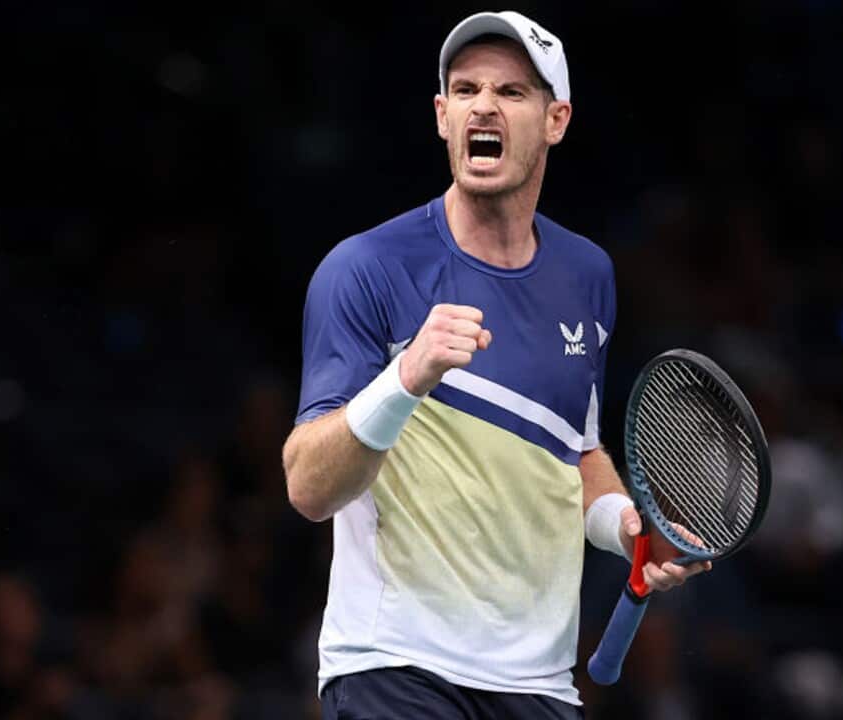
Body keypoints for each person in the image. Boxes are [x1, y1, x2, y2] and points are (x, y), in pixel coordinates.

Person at [281, 11, 709, 718]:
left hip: (538, 685)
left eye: (512, 92)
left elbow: (575, 449)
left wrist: (626, 527)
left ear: (556, 120)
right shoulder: (365, 269)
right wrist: (406, 377)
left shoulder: (587, 275)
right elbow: (307, 487)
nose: (485, 104)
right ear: (443, 116)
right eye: (466, 88)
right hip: (395, 666)